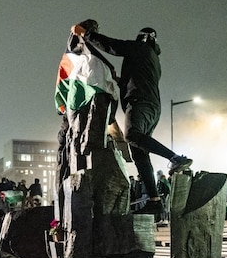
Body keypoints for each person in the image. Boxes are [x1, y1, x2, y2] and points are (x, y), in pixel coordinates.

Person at [72, 23, 192, 215]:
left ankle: (175, 158)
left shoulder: (140, 48)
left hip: (140, 102)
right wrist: (120, 81)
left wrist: (87, 34)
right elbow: (138, 78)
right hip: (151, 106)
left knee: (132, 135)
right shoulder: (152, 58)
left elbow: (114, 46)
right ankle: (154, 200)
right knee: (139, 153)